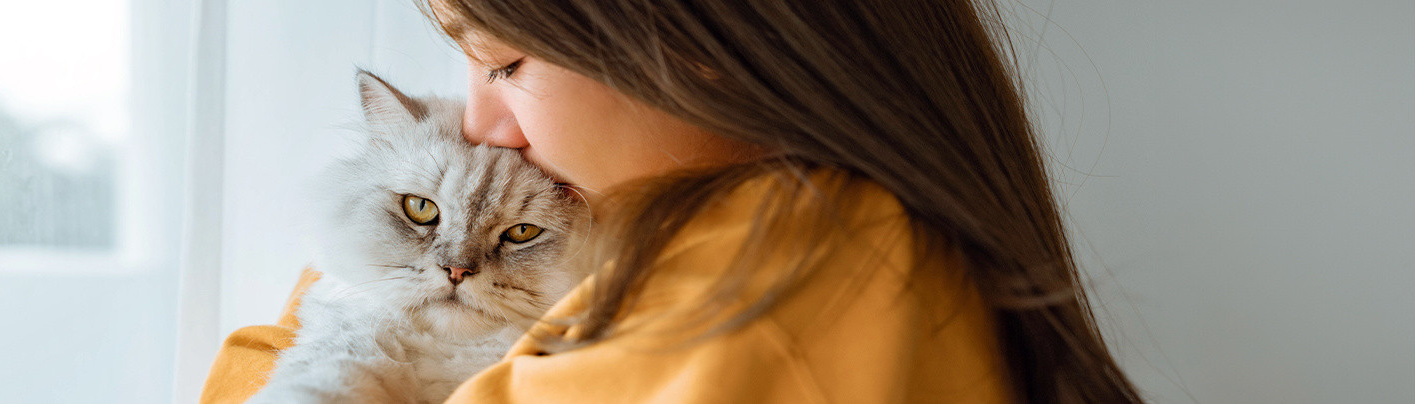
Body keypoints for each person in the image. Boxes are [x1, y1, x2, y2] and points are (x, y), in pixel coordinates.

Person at [202, 0, 1143, 403]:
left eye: (504, 63)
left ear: (691, 44)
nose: (486, 124)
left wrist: (311, 324)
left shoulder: (782, 262)